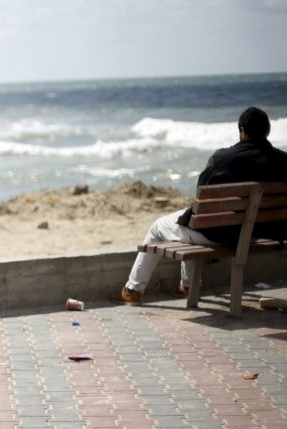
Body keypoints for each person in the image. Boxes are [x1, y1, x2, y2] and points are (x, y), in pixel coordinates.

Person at [112, 106, 287, 305]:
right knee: (191, 222)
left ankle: (133, 290)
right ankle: (186, 285)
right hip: (259, 236)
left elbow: (201, 196)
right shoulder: (284, 161)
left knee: (159, 226)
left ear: (242, 131)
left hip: (221, 236)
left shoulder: (222, 159)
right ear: (267, 132)